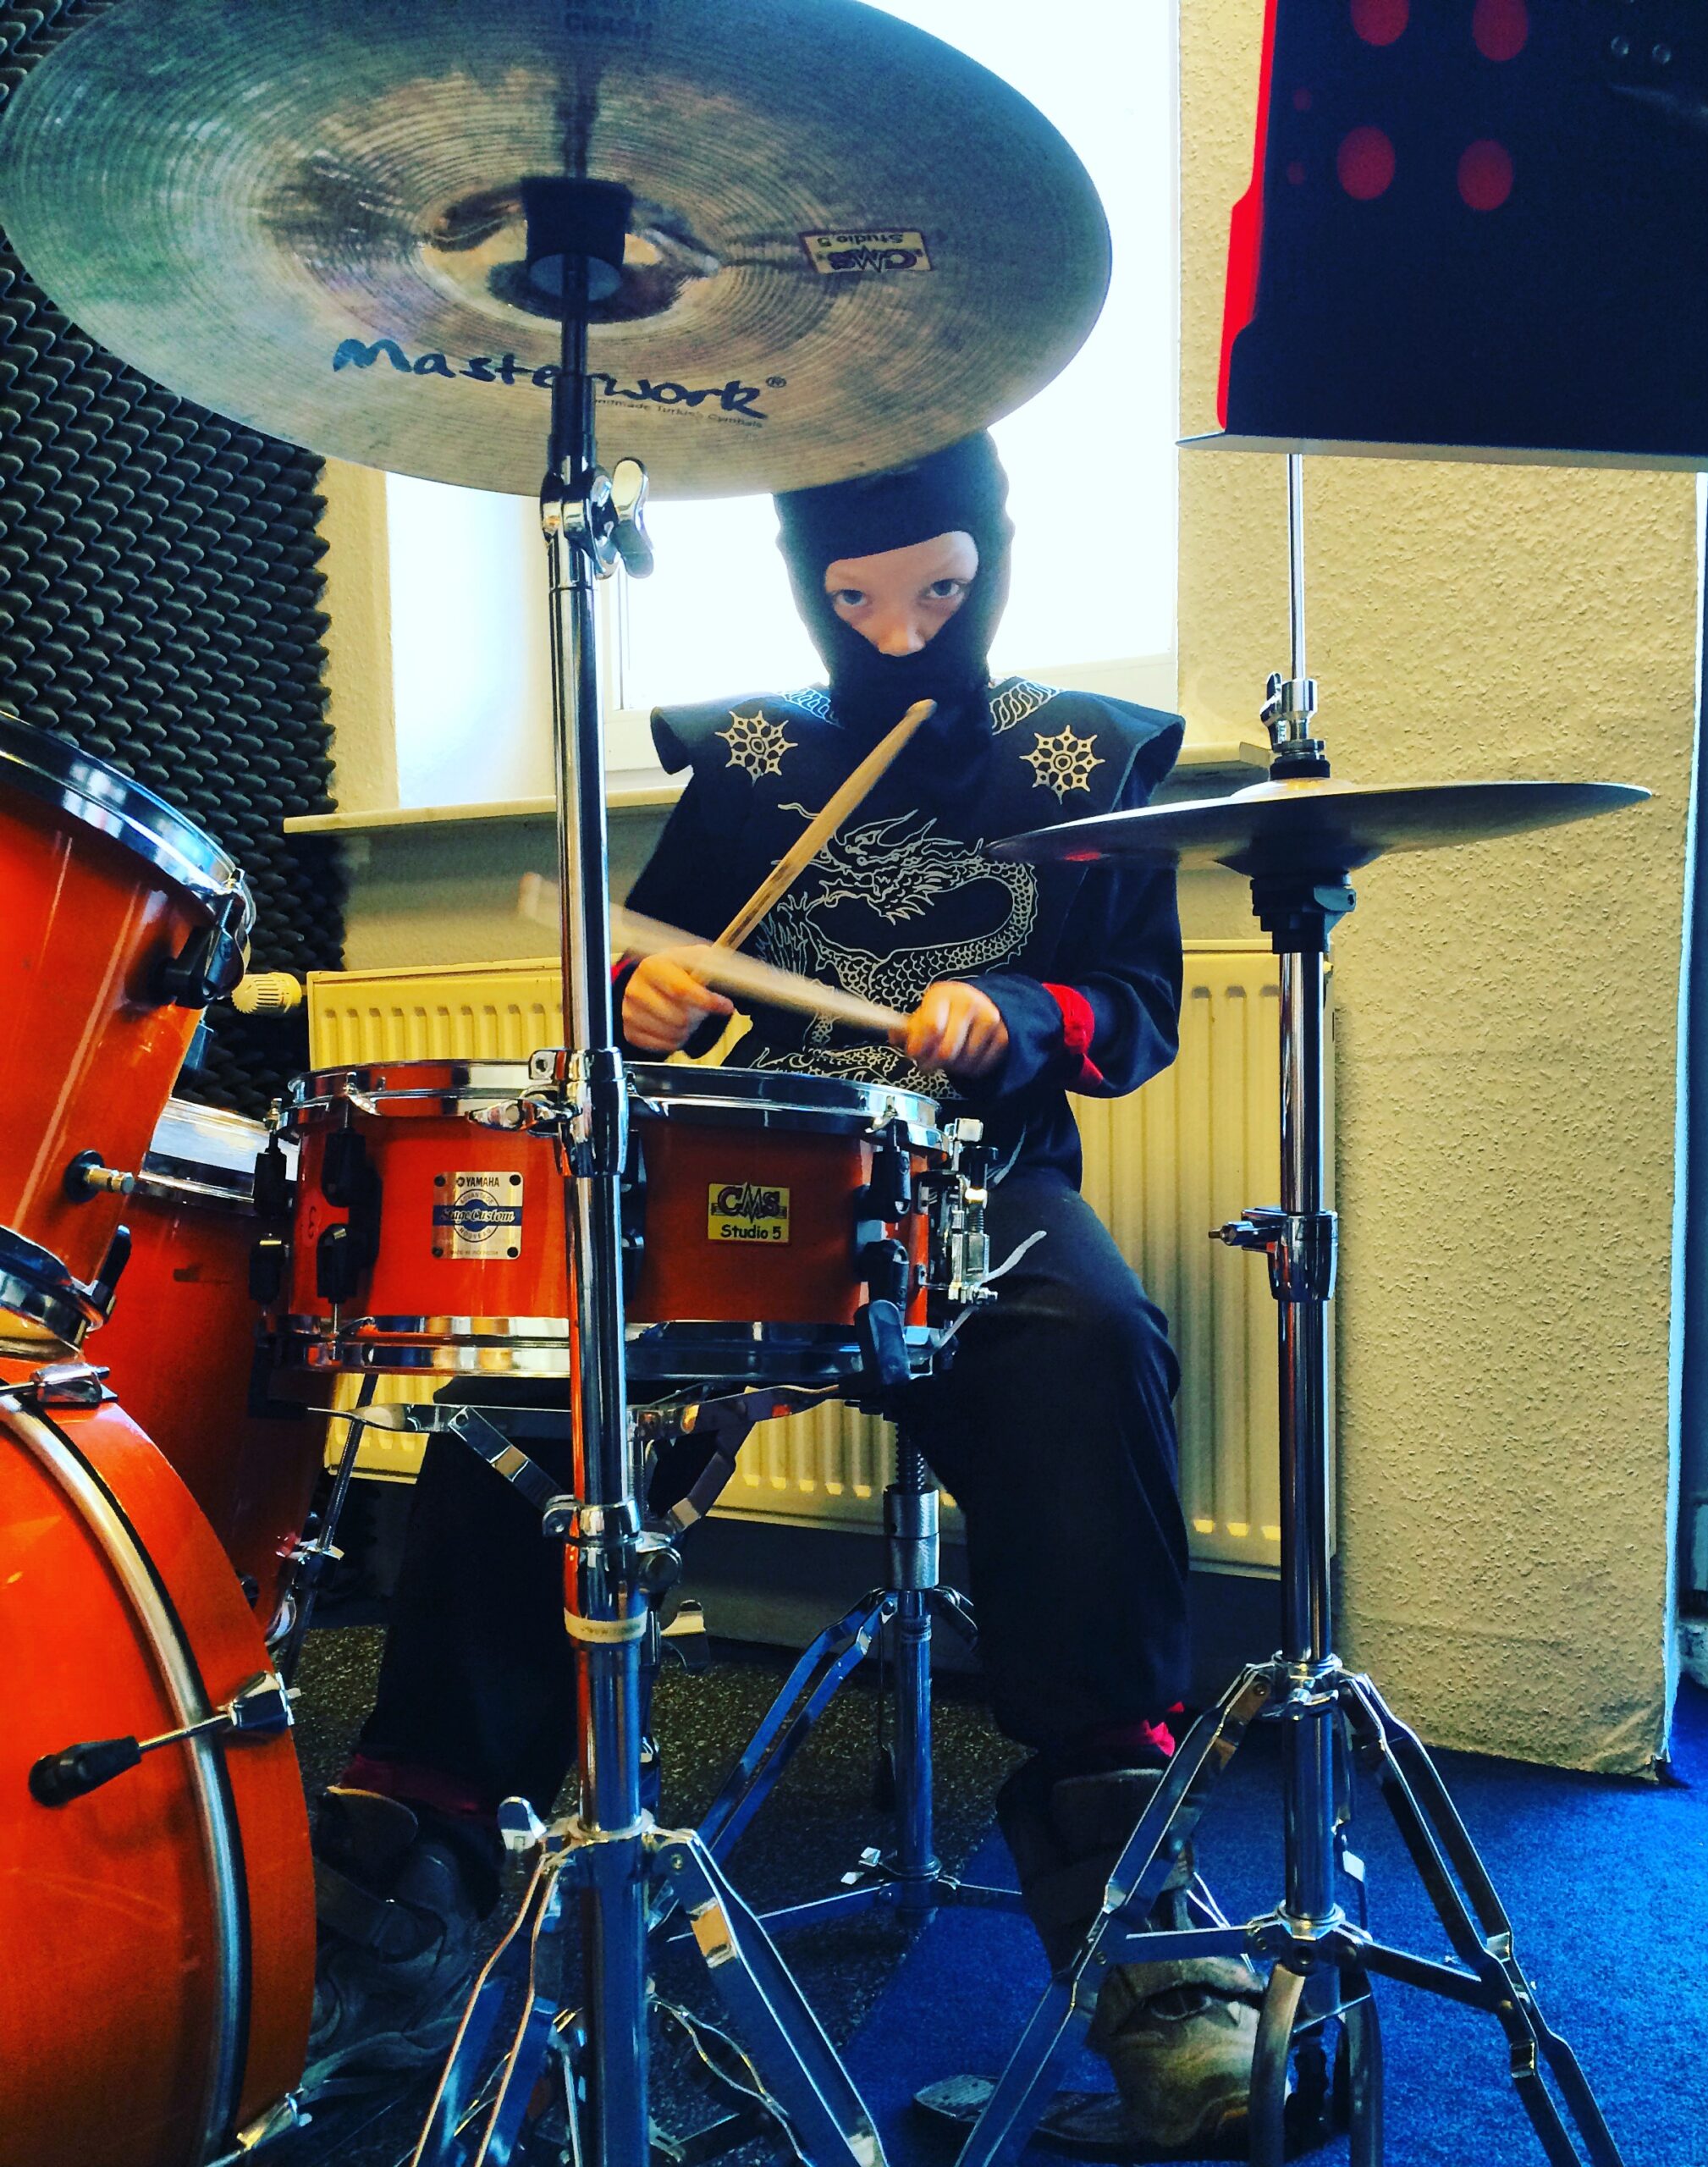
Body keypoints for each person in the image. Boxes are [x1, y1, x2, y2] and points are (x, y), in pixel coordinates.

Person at [305, 434, 1261, 2153]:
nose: (901, 635)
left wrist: (1020, 1014)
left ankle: (1143, 1944)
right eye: (857, 603)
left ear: (992, 564)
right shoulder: (756, 758)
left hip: (973, 1192)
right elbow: (650, 962)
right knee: (529, 1394)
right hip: (730, 1188)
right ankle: (404, 1889)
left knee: (1094, 1346)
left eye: (939, 594)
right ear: (807, 595)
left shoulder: (1083, 754)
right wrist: (642, 995)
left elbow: (1135, 1009)